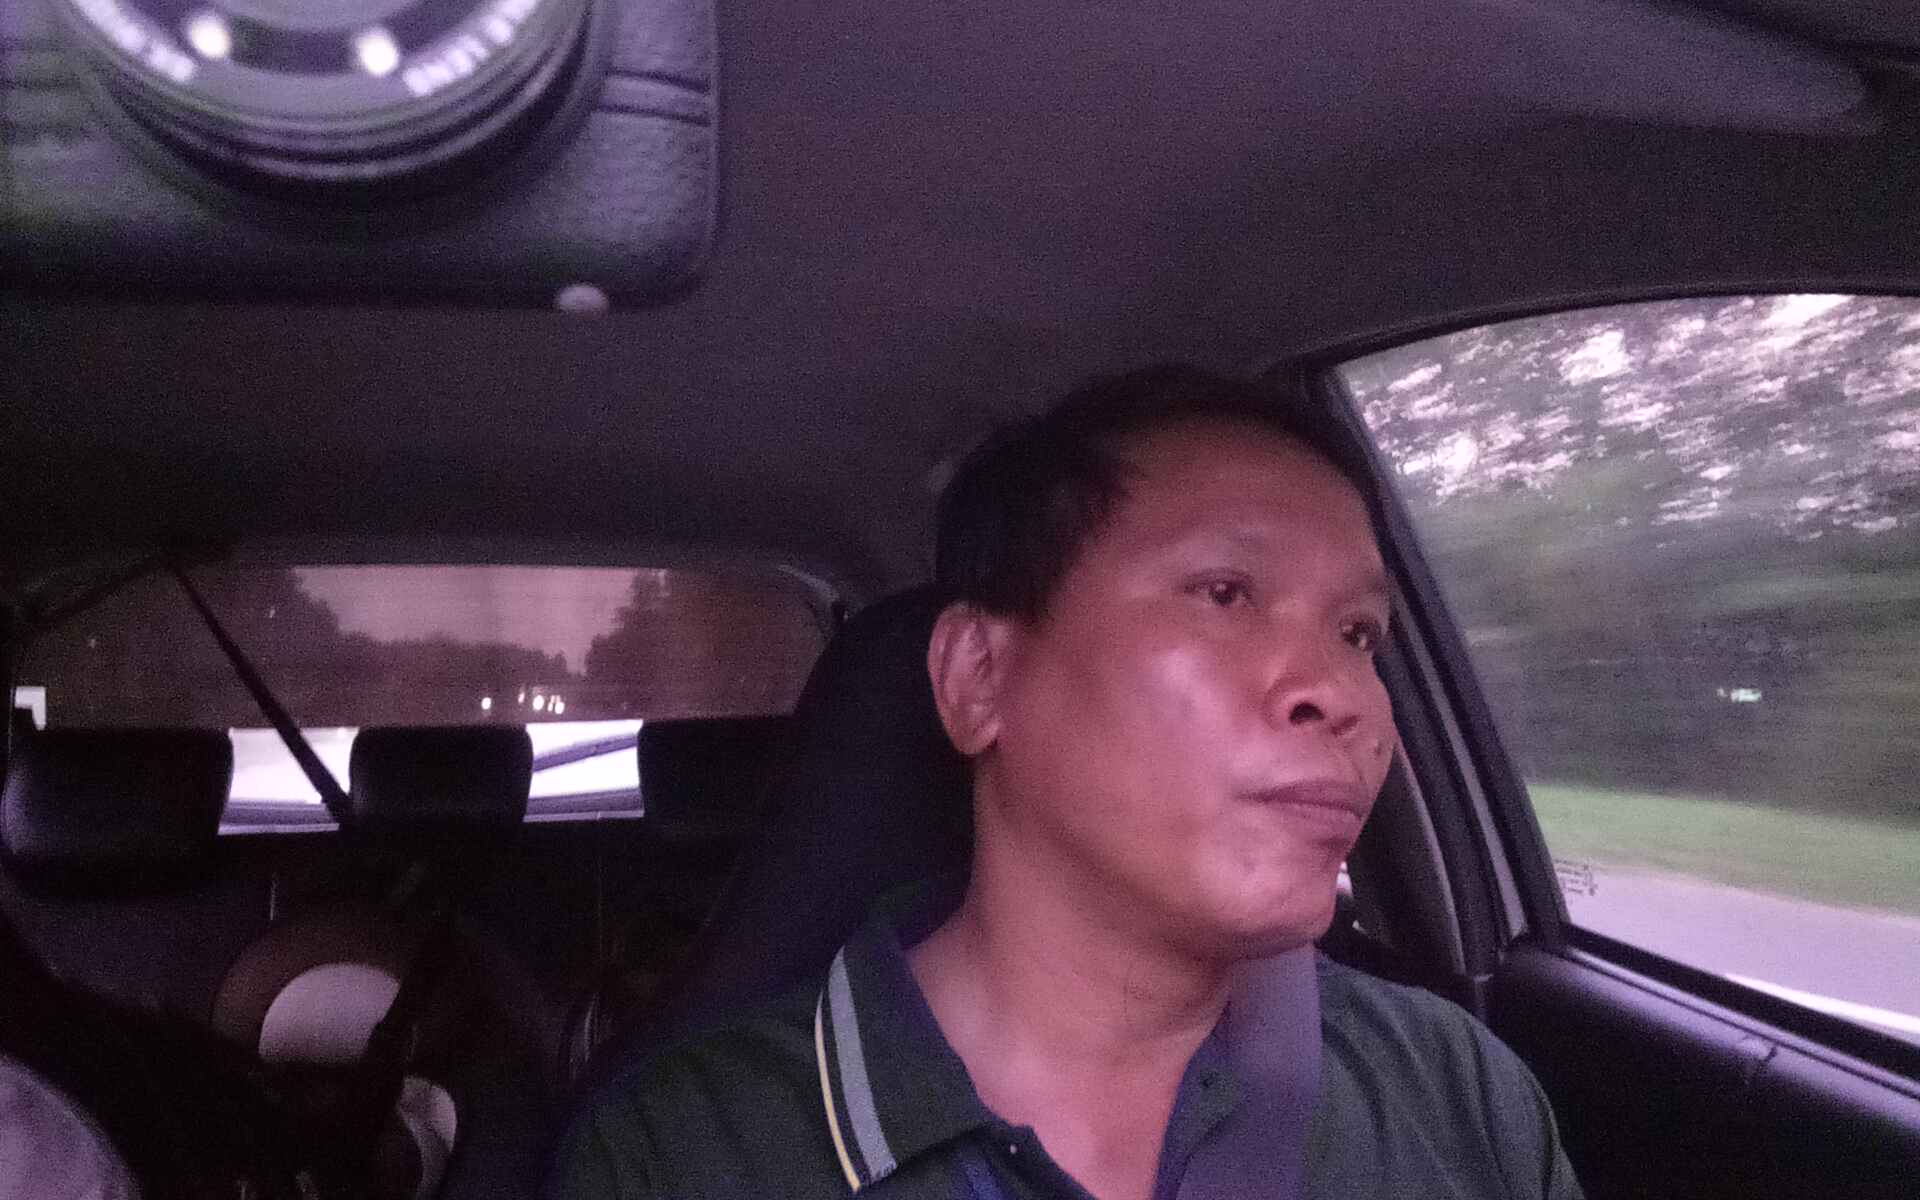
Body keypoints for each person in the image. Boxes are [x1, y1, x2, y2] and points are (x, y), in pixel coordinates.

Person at [549, 364, 1583, 1199]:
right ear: (979, 676)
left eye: (1359, 633)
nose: (1341, 693)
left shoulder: (1456, 1089)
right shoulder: (686, 1152)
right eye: (1226, 593)